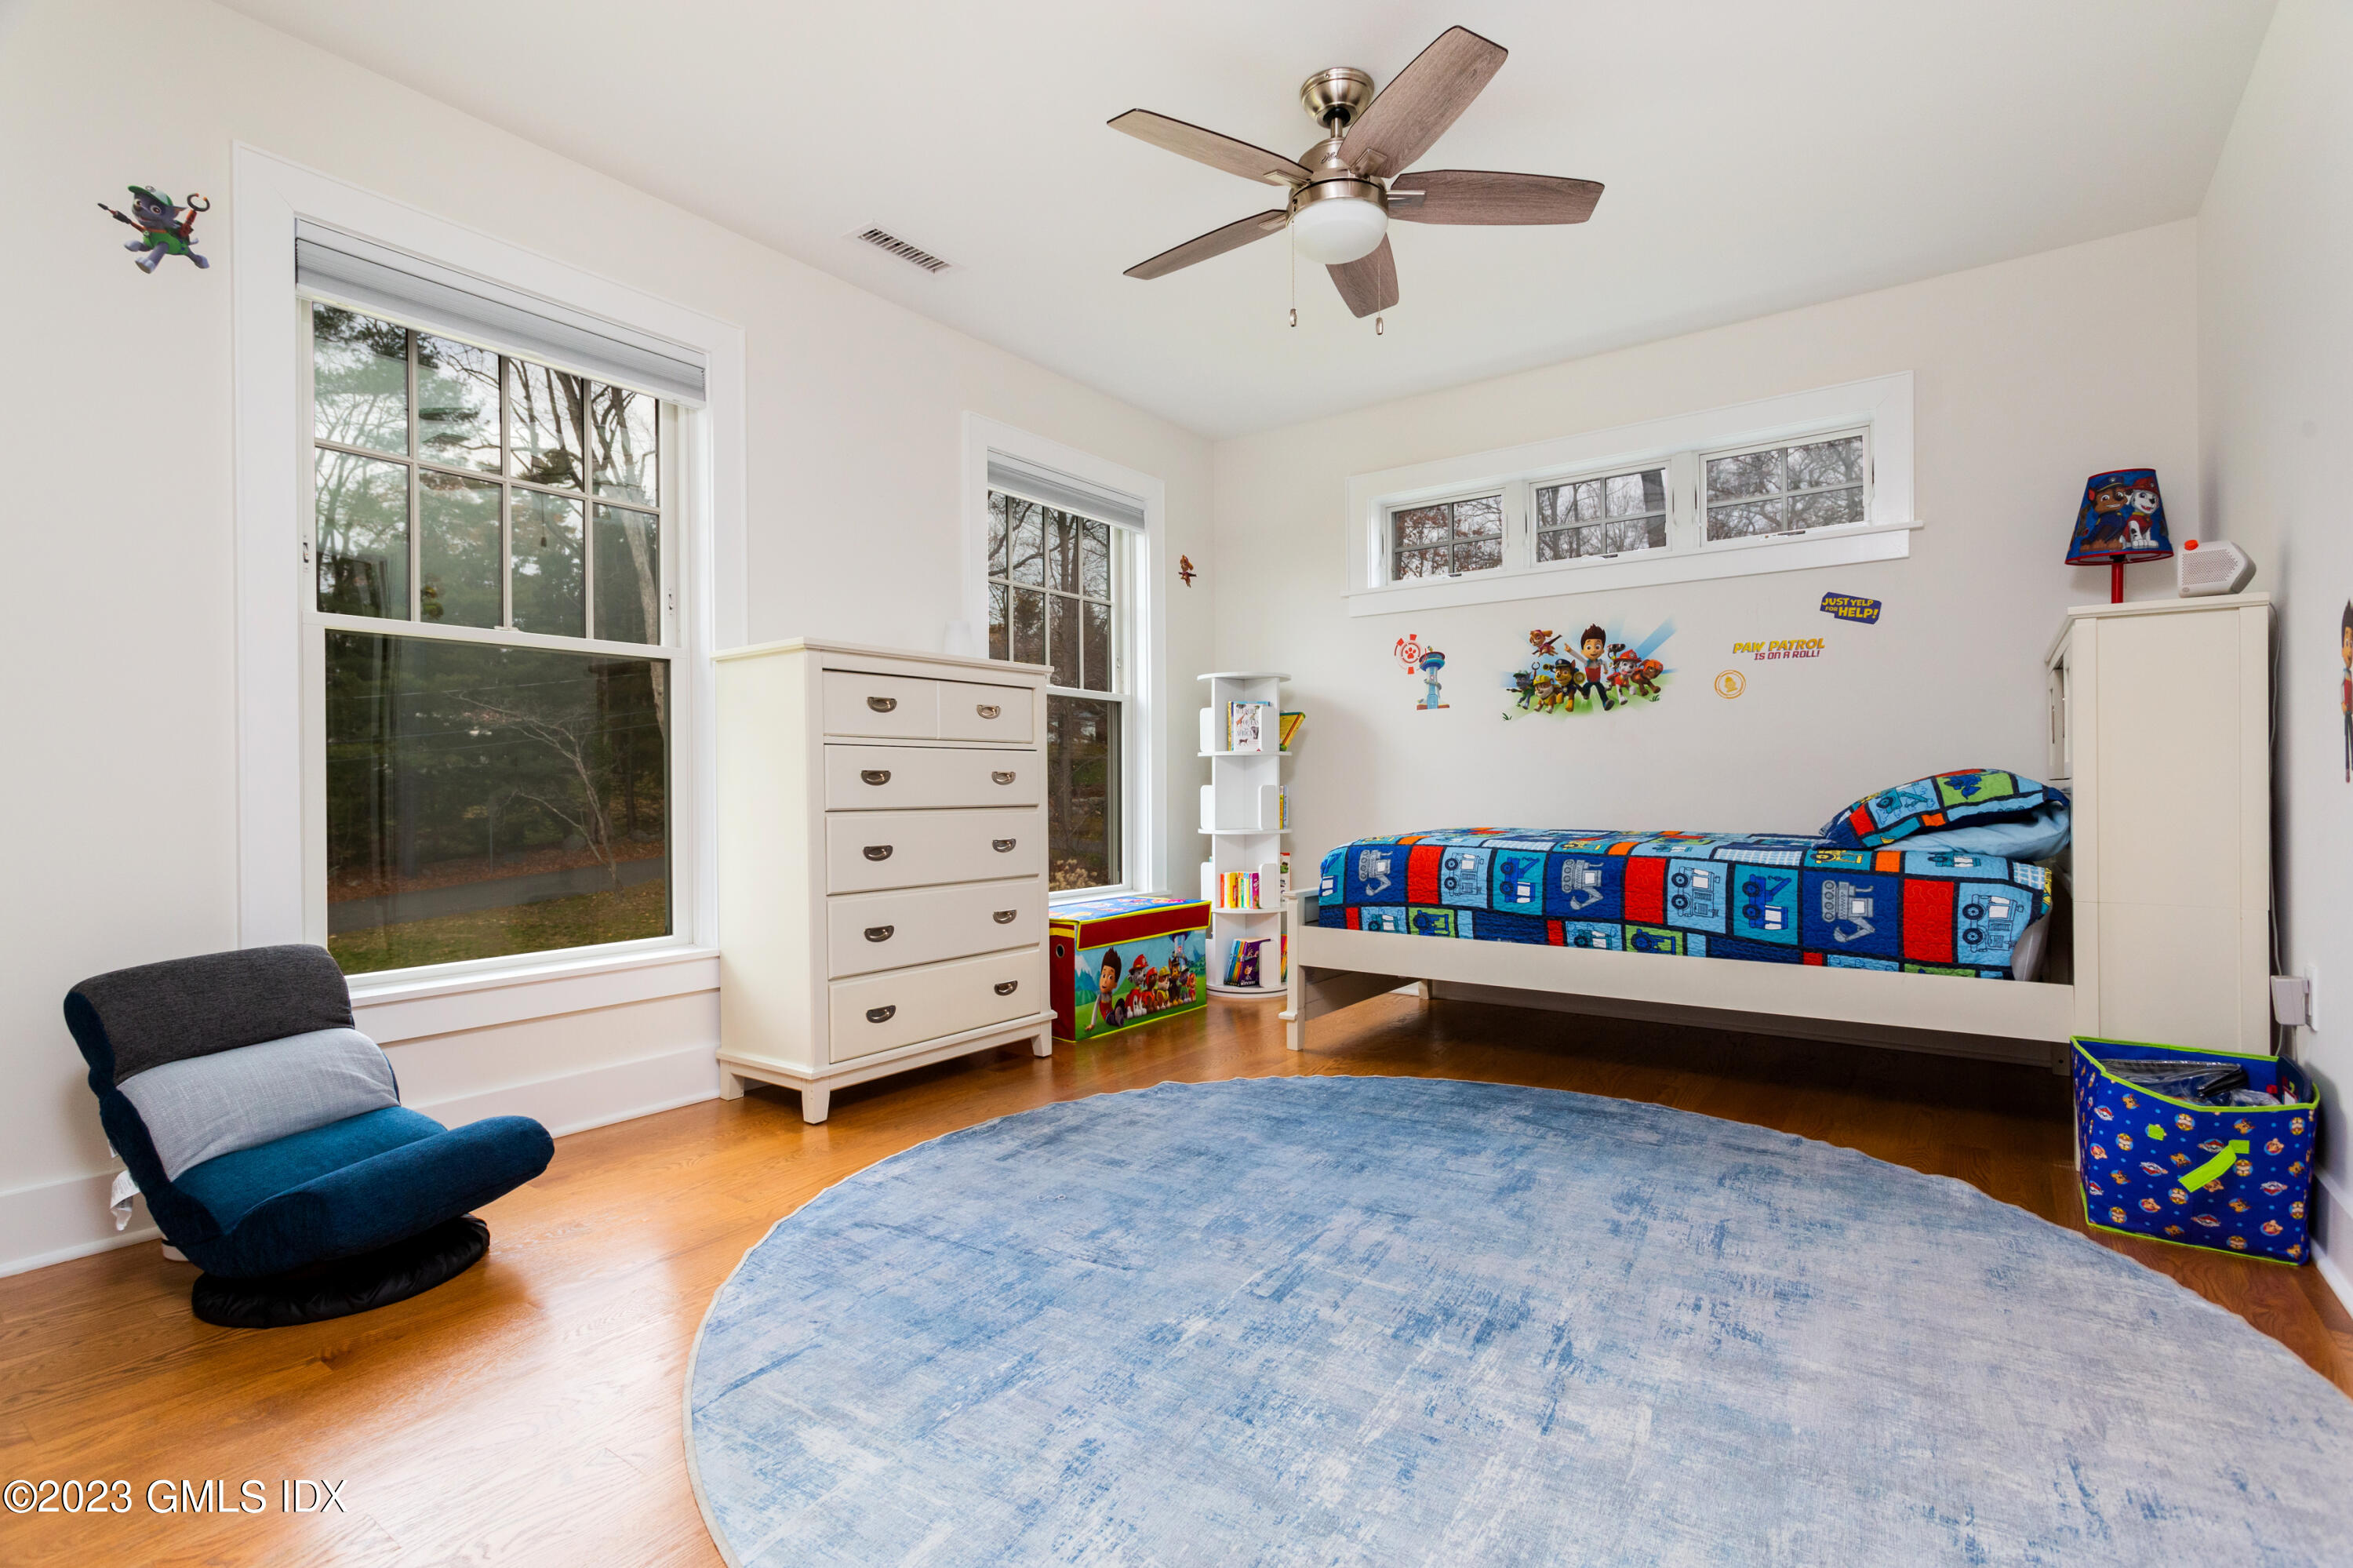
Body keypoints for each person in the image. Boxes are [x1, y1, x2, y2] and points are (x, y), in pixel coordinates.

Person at [1567, 624, 1615, 711]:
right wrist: (1570, 651)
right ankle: (1586, 694)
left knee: (1601, 690)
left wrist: (1606, 670)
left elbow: (1604, 663)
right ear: (1583, 651)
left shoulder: (1600, 661)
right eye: (1589, 647)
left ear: (1603, 650)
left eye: (1597, 647)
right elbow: (1578, 657)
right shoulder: (1586, 662)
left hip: (1597, 681)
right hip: (1589, 681)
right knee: (1585, 687)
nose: (1593, 650)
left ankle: (1606, 702)